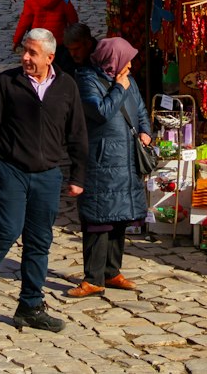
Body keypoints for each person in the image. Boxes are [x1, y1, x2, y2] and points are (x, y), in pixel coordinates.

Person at [0, 28, 88, 334]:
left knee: (39, 241)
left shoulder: (67, 86)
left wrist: (78, 175)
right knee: (7, 230)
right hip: (10, 169)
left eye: (33, 53)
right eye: (24, 51)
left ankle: (30, 305)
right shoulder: (6, 83)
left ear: (50, 58)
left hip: (47, 174)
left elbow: (78, 133)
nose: (26, 57)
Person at [69, 36, 152, 298]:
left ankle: (111, 271)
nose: (129, 65)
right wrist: (118, 88)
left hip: (126, 160)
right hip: (102, 160)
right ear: (112, 60)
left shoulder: (128, 80)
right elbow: (100, 112)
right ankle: (93, 277)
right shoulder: (87, 81)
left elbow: (139, 109)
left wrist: (145, 131)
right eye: (125, 60)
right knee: (98, 220)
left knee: (119, 218)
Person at [12, 0, 77, 67]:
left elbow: (24, 21)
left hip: (39, 41)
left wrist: (17, 40)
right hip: (59, 41)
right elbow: (73, 19)